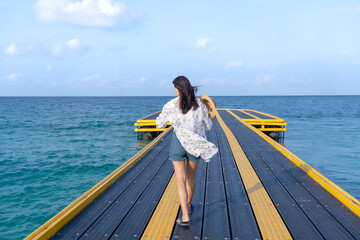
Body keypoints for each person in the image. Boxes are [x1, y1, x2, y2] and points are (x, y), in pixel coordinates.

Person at [156, 76, 218, 227]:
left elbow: (159, 124)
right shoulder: (199, 105)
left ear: (179, 89)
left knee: (180, 181)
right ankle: (188, 205)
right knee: (191, 178)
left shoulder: (171, 105)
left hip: (178, 143)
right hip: (195, 145)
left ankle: (184, 215)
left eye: (175, 88)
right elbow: (208, 126)